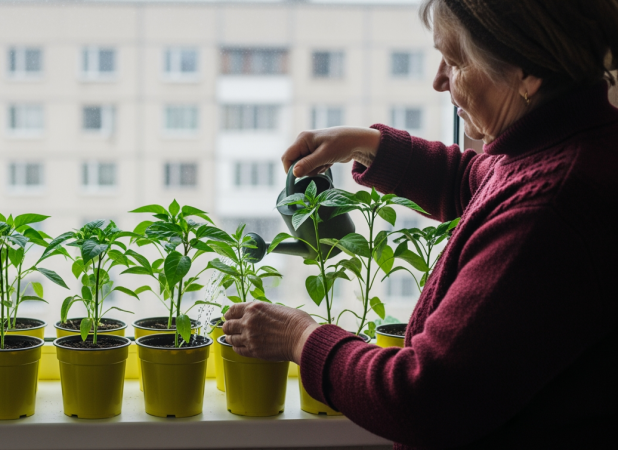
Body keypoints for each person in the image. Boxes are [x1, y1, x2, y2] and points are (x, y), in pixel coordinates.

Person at [221, 0, 618, 448]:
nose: (438, 80)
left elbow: (421, 396)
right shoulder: (565, 146)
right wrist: (364, 144)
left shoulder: (552, 210)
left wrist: (299, 337)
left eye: (456, 60)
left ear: (527, 71)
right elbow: (475, 182)